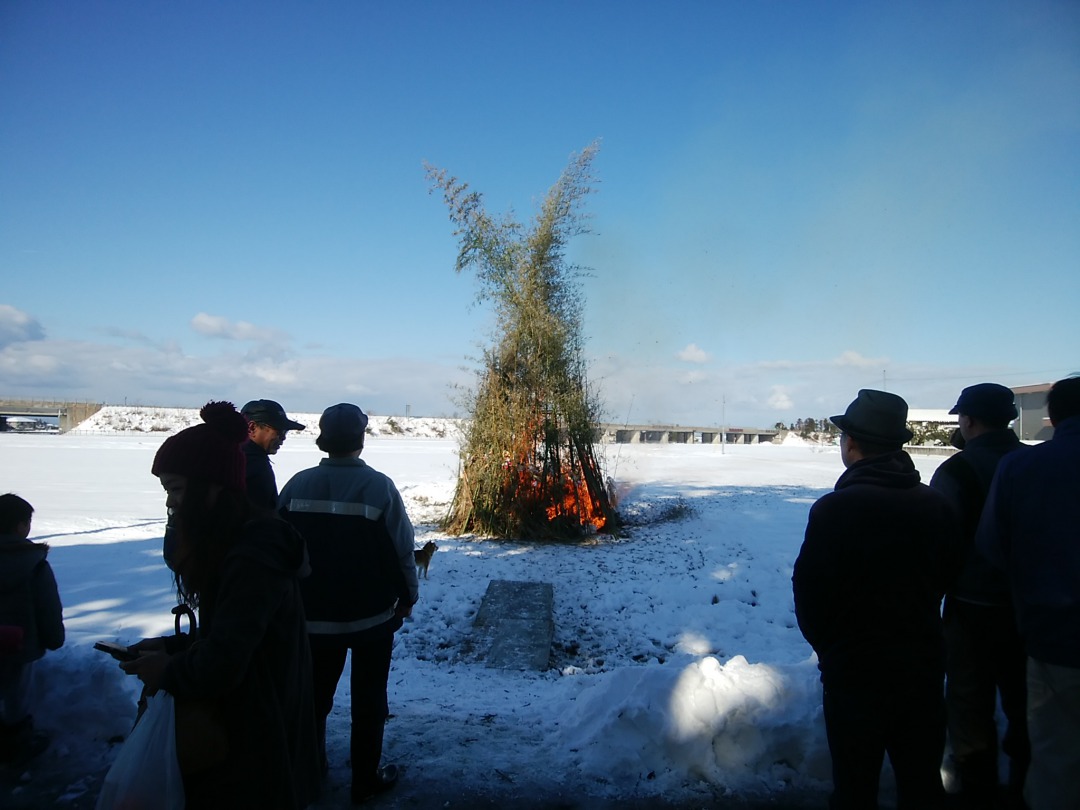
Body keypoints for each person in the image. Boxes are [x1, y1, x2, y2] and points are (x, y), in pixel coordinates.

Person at [119, 401, 319, 809]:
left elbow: (226, 662)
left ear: (212, 485)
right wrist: (174, 648)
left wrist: (170, 670)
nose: (171, 504)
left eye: (175, 489)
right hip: (250, 724)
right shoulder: (237, 542)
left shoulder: (252, 555)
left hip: (254, 736)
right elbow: (236, 632)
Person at [792, 389, 961, 809]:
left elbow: (810, 594)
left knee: (854, 788)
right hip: (921, 668)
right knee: (922, 784)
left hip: (854, 671)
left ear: (851, 443)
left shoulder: (834, 510)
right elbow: (951, 576)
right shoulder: (936, 506)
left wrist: (831, 650)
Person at [278, 403, 419, 804]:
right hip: (371, 619)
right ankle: (364, 781)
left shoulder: (296, 485)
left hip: (311, 620)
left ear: (324, 440)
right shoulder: (379, 488)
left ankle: (310, 768)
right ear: (360, 440)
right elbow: (401, 550)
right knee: (369, 700)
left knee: (314, 698)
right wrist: (408, 596)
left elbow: (278, 547)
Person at [977, 376, 1080, 810]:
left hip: (1054, 638)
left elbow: (993, 548)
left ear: (1052, 417)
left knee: (1055, 761)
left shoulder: (1023, 468)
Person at [929, 383, 1028, 807]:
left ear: (968, 420)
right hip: (1030, 608)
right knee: (1026, 703)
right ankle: (1026, 786)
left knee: (970, 707)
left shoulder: (957, 472)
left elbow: (936, 543)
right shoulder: (1033, 463)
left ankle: (978, 794)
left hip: (971, 608)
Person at [0, 493, 65, 762]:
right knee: (16, 694)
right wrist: (54, 638)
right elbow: (48, 606)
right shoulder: (34, 564)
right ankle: (16, 743)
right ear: (20, 526)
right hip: (18, 647)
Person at [239, 399, 306, 511]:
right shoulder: (254, 465)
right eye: (279, 431)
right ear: (252, 428)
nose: (283, 438)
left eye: (285, 432)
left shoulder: (235, 457)